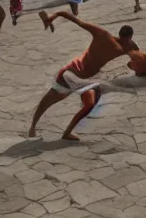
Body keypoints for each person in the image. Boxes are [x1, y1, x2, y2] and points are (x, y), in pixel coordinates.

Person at [28, 11, 138, 140]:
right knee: (48, 101)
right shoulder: (102, 35)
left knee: (89, 105)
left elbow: (139, 60)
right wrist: (54, 16)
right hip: (72, 74)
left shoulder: (126, 45)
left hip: (88, 80)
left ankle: (67, 132)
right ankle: (32, 127)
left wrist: (54, 16)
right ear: (128, 36)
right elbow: (77, 21)